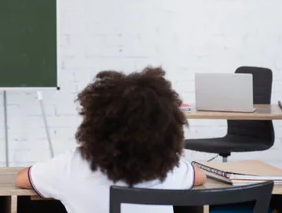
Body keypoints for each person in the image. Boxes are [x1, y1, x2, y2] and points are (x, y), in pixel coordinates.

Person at [15, 66, 206, 213]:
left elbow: (23, 178)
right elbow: (200, 176)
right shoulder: (168, 171)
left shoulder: (71, 166)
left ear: (95, 124)